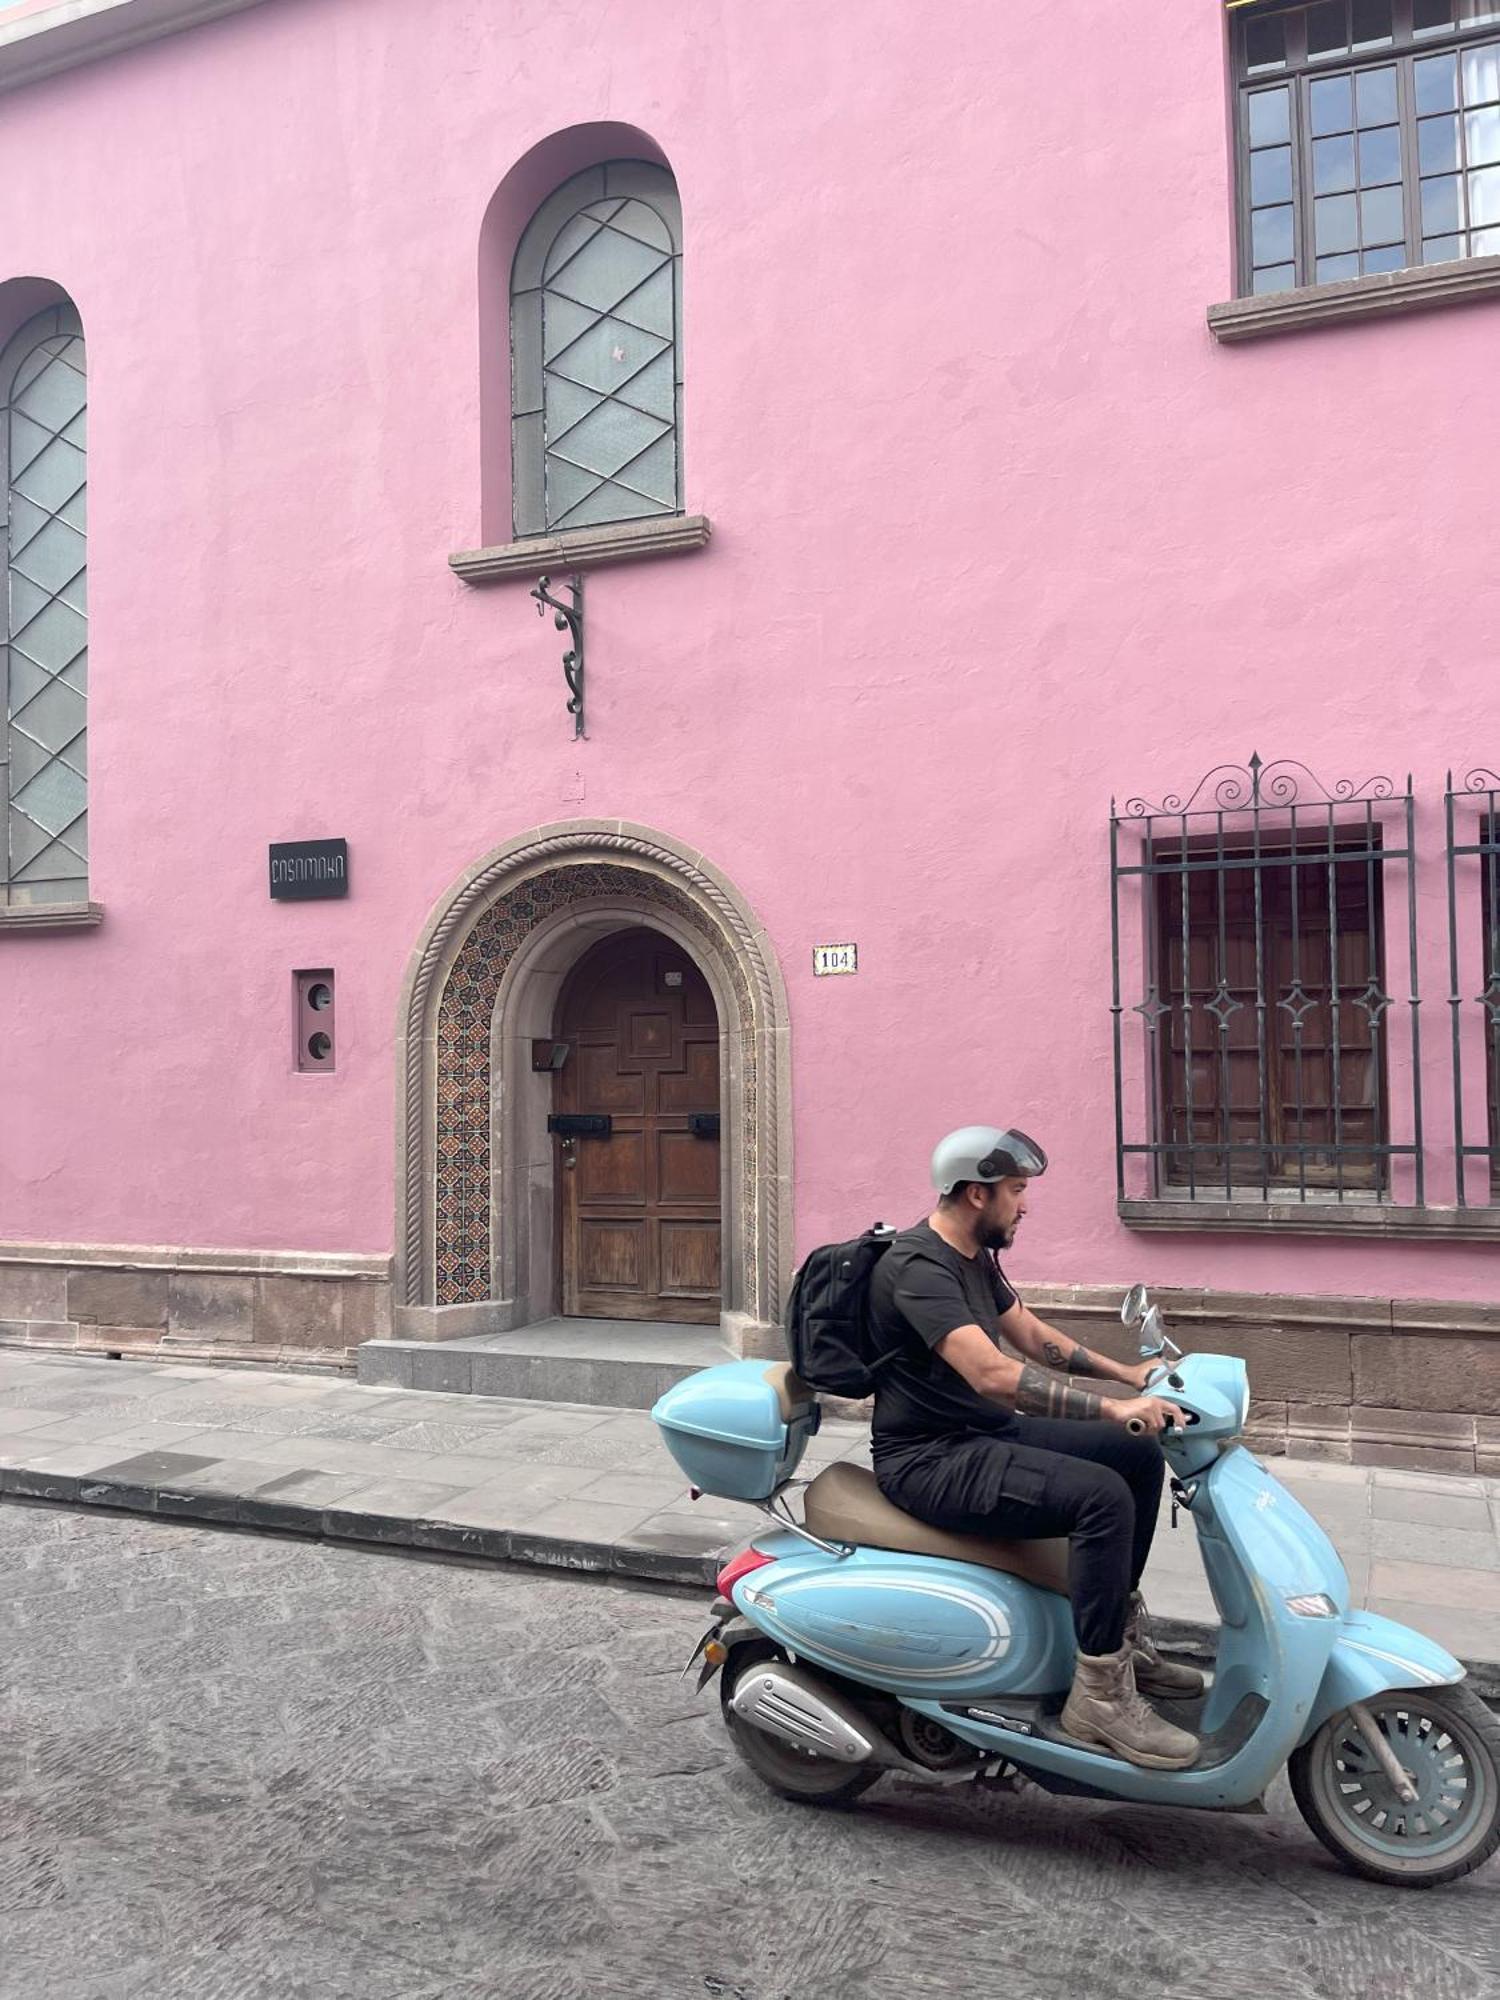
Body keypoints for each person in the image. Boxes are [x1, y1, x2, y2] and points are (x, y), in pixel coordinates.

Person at [868, 1125, 1203, 1771]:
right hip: (929, 1459)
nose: (1025, 1204)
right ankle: (1097, 1700)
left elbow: (1027, 1333)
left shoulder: (971, 1255)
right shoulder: (916, 1267)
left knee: (1131, 1456)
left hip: (978, 1434)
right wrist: (1115, 1408)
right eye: (1016, 1191)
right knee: (1099, 1499)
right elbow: (993, 1375)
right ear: (975, 1194)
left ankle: (1116, 1644)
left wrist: (1128, 1376)